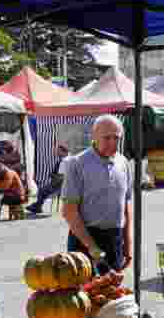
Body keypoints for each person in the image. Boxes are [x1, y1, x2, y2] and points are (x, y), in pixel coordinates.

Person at [62, 115, 133, 275]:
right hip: (84, 240)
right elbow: (69, 211)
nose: (112, 142)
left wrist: (127, 244)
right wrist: (91, 247)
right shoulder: (77, 164)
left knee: (112, 295)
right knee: (83, 296)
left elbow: (126, 206)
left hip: (114, 239)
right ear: (93, 137)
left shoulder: (123, 163)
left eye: (116, 138)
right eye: (107, 138)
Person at [27, 144, 70, 215]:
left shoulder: (64, 161)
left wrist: (53, 178)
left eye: (58, 151)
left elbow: (61, 177)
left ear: (63, 151)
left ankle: (37, 206)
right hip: (63, 183)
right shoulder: (69, 159)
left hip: (59, 185)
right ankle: (37, 206)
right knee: (43, 190)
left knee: (42, 190)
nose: (56, 153)